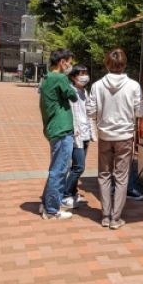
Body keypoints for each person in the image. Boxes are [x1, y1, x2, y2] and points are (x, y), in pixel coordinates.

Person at [87, 48, 143, 229]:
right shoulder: (133, 86)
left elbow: (90, 111)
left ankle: (105, 215)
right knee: (121, 176)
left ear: (107, 64)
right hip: (125, 136)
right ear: (124, 64)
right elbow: (140, 111)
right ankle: (115, 218)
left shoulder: (97, 85)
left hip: (105, 135)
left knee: (104, 175)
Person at [38, 49, 77, 220]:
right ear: (62, 62)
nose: (70, 66)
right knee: (59, 170)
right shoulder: (60, 78)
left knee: (56, 168)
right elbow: (74, 96)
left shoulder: (46, 78)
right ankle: (52, 210)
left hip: (53, 128)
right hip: (62, 129)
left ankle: (47, 203)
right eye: (69, 62)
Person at [61, 65, 96, 208]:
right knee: (79, 167)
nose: (84, 76)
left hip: (86, 133)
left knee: (76, 166)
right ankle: (65, 194)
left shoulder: (85, 92)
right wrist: (74, 131)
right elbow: (71, 114)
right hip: (77, 134)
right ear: (73, 77)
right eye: (81, 74)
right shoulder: (71, 92)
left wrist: (92, 132)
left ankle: (73, 192)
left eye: (86, 73)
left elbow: (88, 113)